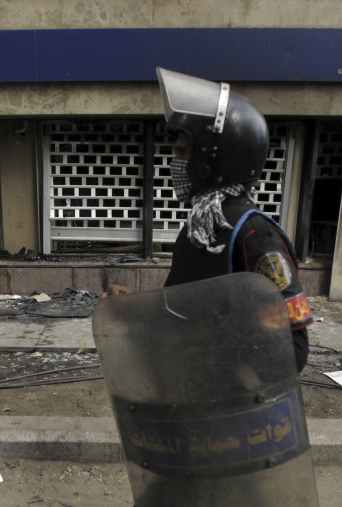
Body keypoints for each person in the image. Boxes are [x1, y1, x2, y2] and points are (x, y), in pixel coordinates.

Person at [106, 68, 312, 372]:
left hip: (232, 408)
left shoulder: (254, 235)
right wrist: (134, 308)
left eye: (182, 153)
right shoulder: (200, 227)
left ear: (212, 161)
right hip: (193, 396)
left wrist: (218, 362)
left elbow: (293, 350)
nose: (175, 163)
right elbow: (181, 311)